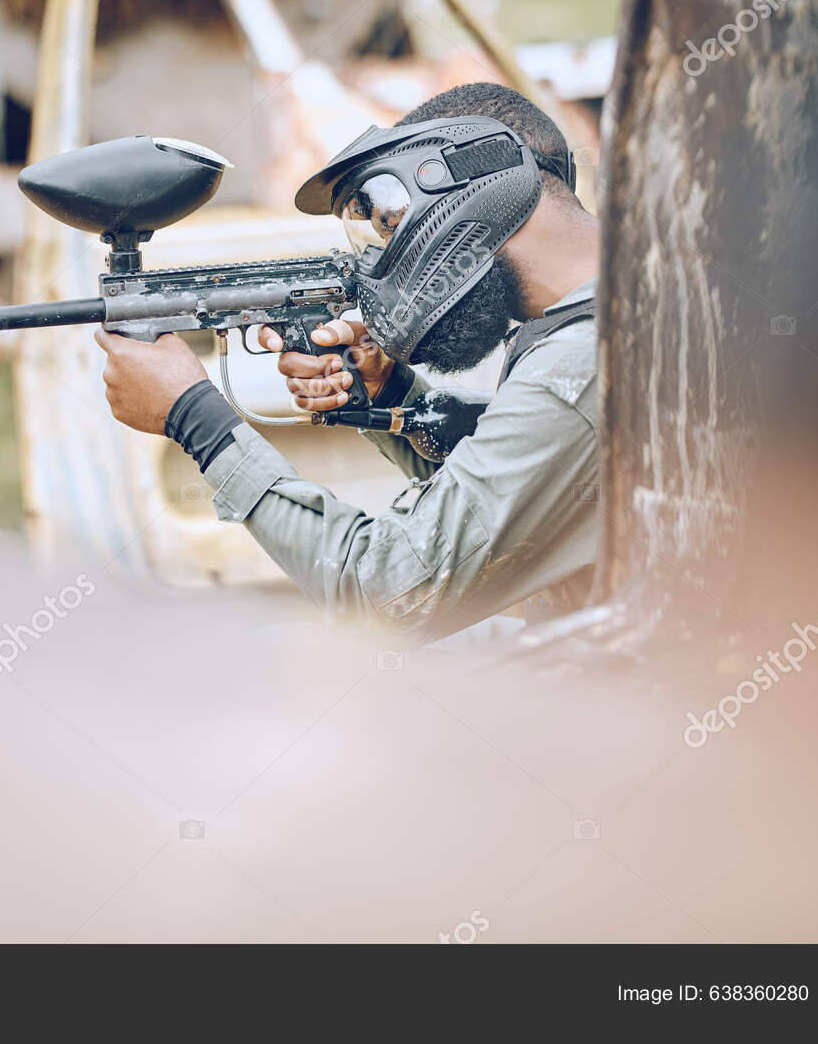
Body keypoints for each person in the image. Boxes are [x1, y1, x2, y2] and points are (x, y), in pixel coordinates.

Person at [92, 83, 601, 640]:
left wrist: (196, 419)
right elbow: (516, 500)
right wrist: (390, 397)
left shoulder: (578, 367)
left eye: (386, 220)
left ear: (476, 179)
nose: (380, 258)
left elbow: (387, 590)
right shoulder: (618, 317)